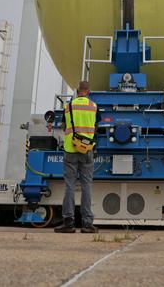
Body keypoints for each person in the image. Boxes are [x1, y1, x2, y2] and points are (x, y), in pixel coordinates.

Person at [55, 80, 98, 234]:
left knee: (70, 186)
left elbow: (63, 126)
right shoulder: (93, 107)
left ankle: (68, 222)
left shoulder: (69, 107)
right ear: (89, 91)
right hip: (87, 150)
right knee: (87, 186)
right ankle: (87, 224)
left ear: (77, 91)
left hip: (70, 150)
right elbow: (96, 126)